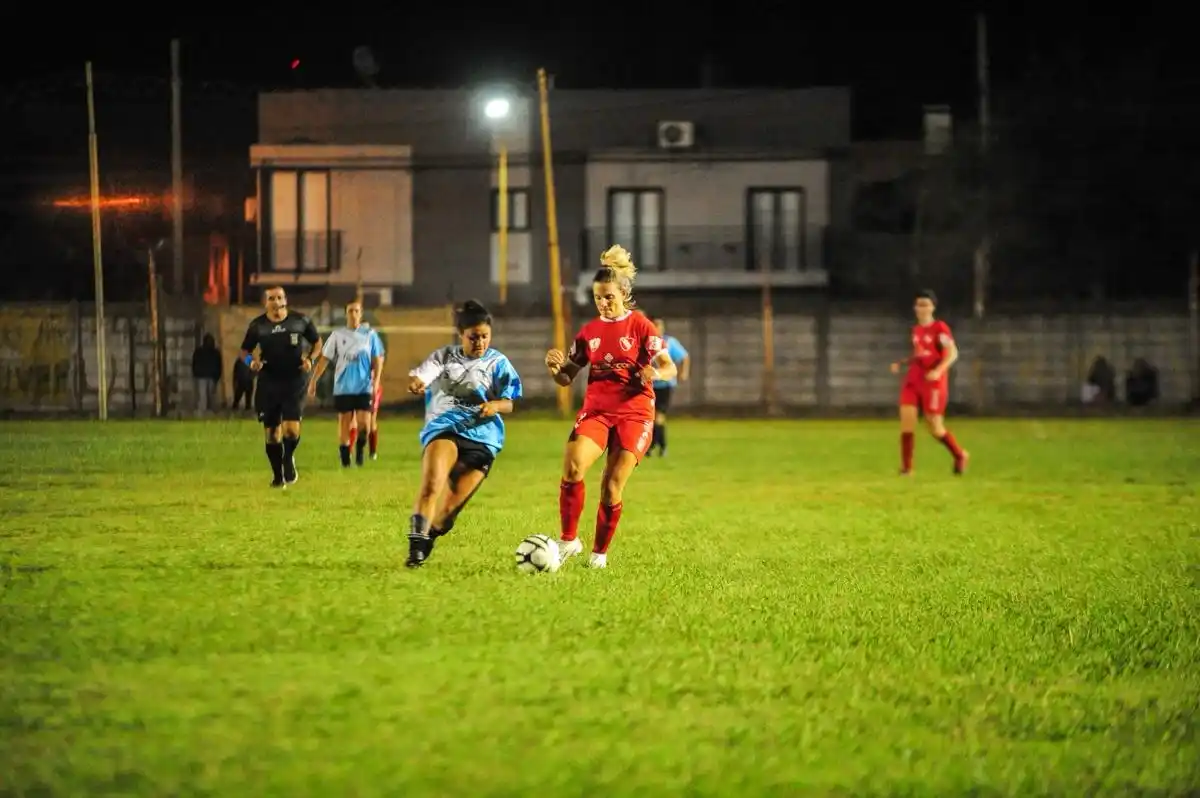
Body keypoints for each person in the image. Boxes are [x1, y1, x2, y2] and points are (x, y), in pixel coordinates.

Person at [544, 245, 678, 569]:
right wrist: (555, 369)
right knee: (573, 465)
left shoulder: (643, 326)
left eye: (609, 297)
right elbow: (567, 378)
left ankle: (599, 555)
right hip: (598, 411)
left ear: (623, 294)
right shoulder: (588, 333)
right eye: (598, 298)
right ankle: (569, 540)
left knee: (612, 484)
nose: (603, 303)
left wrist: (655, 372)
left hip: (635, 412)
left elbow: (669, 367)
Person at [405, 300, 523, 568]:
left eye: (484, 336)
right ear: (461, 335)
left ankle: (429, 536)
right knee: (432, 485)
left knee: (446, 517)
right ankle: (415, 550)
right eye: (473, 337)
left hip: (483, 439)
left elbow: (510, 402)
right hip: (445, 430)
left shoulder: (498, 363)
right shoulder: (444, 357)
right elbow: (424, 375)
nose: (479, 342)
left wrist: (495, 405)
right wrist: (417, 382)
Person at [239, 285, 321, 488]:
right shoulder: (258, 326)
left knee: (291, 430)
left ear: (285, 300)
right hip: (269, 381)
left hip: (294, 380)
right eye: (271, 298)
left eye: (279, 297)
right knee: (272, 434)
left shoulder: (300, 321)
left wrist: (310, 359)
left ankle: (288, 459)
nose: (276, 302)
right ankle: (277, 477)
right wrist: (251, 362)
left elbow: (317, 343)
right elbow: (244, 351)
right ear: (265, 303)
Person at [889, 289, 968, 475]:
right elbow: (920, 354)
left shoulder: (940, 328)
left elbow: (953, 353)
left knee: (935, 427)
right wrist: (902, 363)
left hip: (933, 382)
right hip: (914, 379)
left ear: (932, 307)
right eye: (919, 305)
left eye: (925, 305)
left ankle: (960, 455)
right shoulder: (916, 330)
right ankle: (907, 469)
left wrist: (938, 371)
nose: (921, 308)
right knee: (907, 420)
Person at [309, 300, 385, 467]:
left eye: (356, 311)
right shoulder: (337, 335)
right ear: (346, 314)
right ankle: (345, 461)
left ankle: (359, 452)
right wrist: (314, 380)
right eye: (350, 311)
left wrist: (376, 380)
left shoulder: (370, 334)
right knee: (344, 423)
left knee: (364, 423)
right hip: (343, 387)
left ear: (361, 313)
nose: (353, 314)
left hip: (364, 386)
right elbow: (325, 359)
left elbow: (378, 358)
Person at [647, 316, 690, 456]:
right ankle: (659, 447)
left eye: (660, 327)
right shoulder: (646, 342)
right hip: (649, 385)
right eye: (655, 327)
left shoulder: (670, 342)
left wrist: (684, 372)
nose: (658, 330)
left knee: (658, 417)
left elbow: (684, 356)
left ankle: (656, 446)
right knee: (652, 418)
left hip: (665, 384)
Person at [191, 333, 222, 414]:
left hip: (201, 375)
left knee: (203, 395)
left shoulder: (199, 351)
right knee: (211, 394)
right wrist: (217, 376)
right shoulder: (215, 352)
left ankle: (203, 410)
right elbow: (219, 365)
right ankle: (211, 410)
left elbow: (194, 363)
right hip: (211, 375)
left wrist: (195, 373)